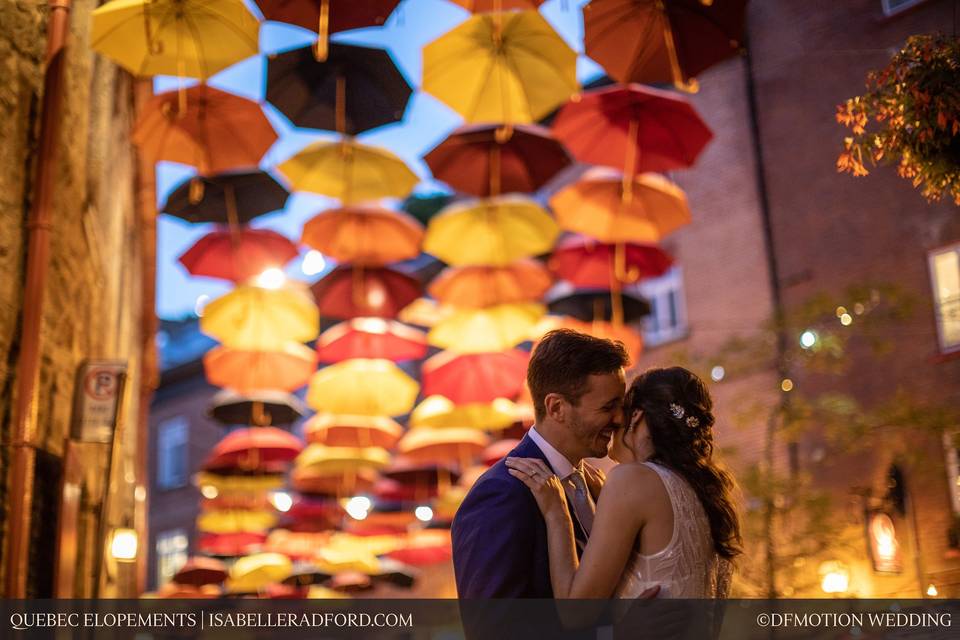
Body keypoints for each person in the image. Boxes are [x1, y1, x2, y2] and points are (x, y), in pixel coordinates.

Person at [506, 366, 741, 600]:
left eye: (621, 409)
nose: (615, 419)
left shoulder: (631, 479)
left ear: (636, 416)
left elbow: (574, 609)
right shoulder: (703, 491)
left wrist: (557, 513)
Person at [451, 329, 637, 599]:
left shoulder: (592, 483)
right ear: (557, 408)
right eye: (608, 407)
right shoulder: (501, 493)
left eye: (622, 406)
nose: (620, 419)